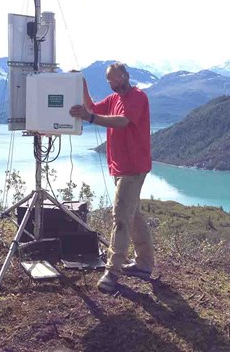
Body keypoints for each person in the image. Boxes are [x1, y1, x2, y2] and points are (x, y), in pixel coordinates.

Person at [69, 62, 155, 293]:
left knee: (120, 216)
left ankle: (112, 272)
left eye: (118, 79)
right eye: (111, 82)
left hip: (133, 168)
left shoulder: (138, 97)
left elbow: (121, 121)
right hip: (120, 167)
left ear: (127, 75)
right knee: (133, 214)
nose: (115, 84)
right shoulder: (113, 98)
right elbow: (93, 107)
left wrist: (90, 118)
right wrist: (83, 85)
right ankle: (144, 264)